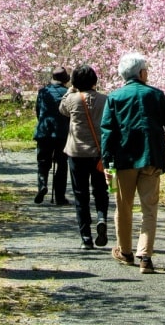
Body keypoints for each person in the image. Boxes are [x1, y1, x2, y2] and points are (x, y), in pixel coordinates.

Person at [100, 52, 165, 274]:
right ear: (142, 73)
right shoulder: (156, 95)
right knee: (149, 208)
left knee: (123, 206)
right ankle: (145, 257)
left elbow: (107, 131)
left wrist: (107, 161)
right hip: (151, 158)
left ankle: (125, 252)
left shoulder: (115, 98)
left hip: (124, 159)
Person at [59, 65, 110, 249]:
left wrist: (71, 90)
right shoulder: (105, 99)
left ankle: (86, 238)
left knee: (81, 195)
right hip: (99, 154)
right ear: (94, 81)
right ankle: (102, 217)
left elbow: (62, 109)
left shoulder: (71, 99)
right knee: (100, 191)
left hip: (77, 153)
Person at [33, 66, 71, 205]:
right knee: (61, 164)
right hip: (62, 134)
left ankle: (42, 185)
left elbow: (38, 111)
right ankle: (60, 197)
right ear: (65, 80)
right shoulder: (67, 93)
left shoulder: (43, 92)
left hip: (44, 132)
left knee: (43, 163)